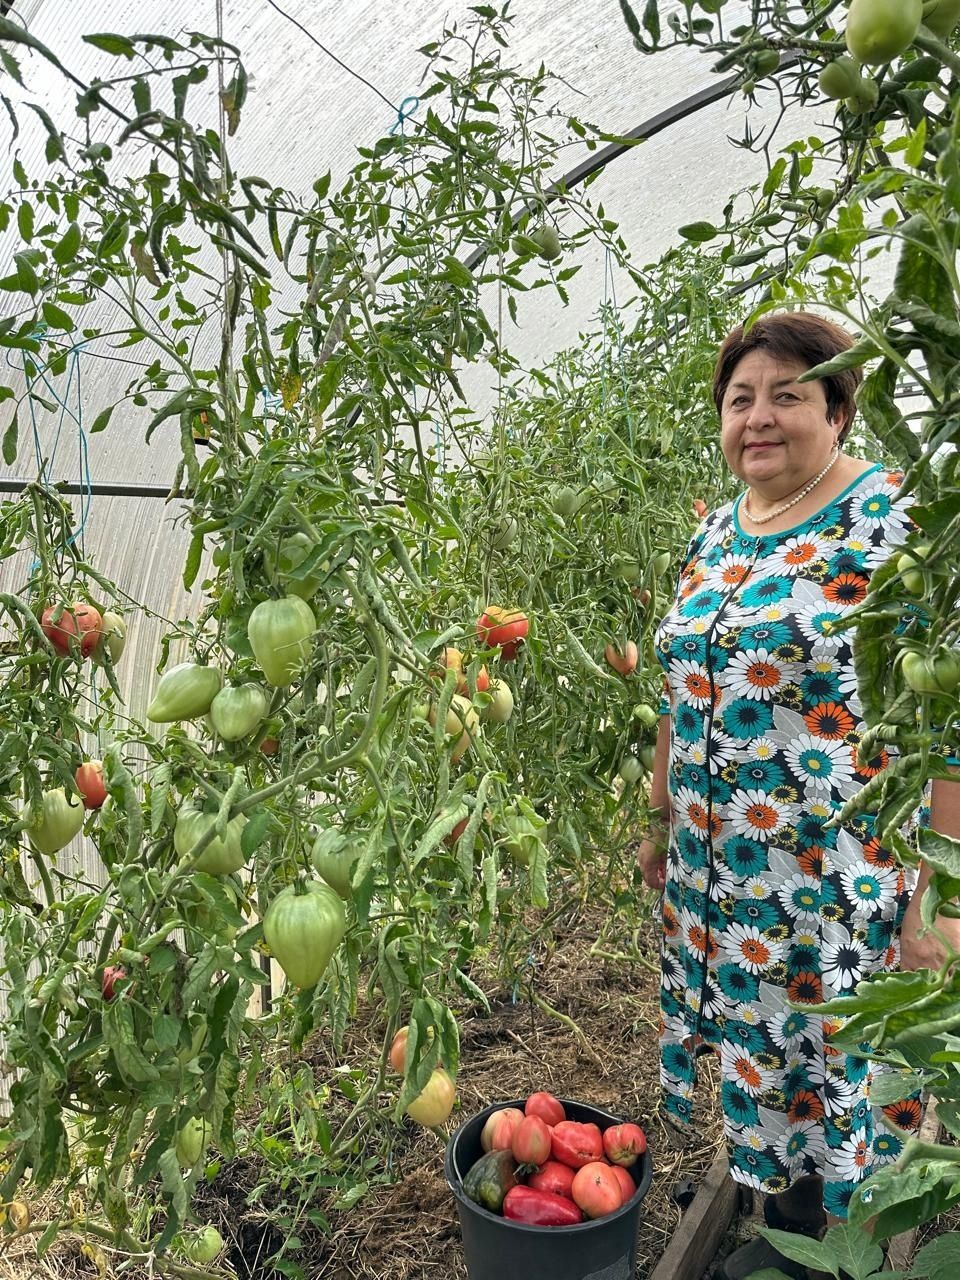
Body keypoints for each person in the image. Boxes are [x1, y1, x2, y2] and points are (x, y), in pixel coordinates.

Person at [636, 312, 960, 1280]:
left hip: (827, 880)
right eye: (741, 399)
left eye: (787, 393)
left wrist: (941, 893)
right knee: (760, 1058)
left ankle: (830, 1249)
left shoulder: (888, 518)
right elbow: (679, 679)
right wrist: (661, 814)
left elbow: (947, 706)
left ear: (840, 405)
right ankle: (780, 1215)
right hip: (724, 886)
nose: (759, 417)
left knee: (837, 1074)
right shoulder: (716, 525)